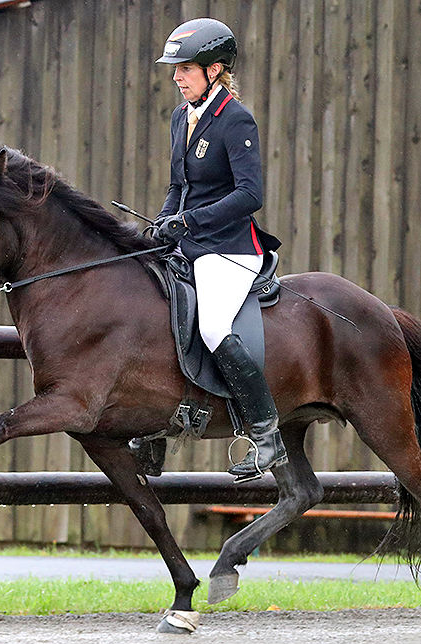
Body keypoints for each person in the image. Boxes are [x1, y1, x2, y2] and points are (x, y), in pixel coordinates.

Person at [151, 18, 286, 483]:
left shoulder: (235, 119)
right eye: (176, 69)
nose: (176, 77)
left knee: (211, 328)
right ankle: (153, 429)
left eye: (185, 68)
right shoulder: (180, 117)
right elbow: (178, 185)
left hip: (229, 248)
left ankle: (266, 434)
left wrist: (190, 220)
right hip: (188, 243)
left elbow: (250, 195)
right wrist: (164, 223)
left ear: (214, 69)